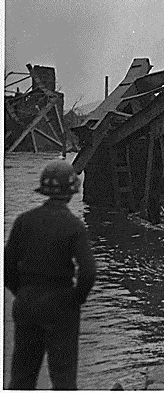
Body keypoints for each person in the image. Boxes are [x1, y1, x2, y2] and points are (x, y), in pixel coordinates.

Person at [4, 160, 97, 390]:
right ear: (72, 192)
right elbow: (88, 271)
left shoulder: (24, 221)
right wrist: (76, 299)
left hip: (27, 302)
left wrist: (22, 291)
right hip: (61, 305)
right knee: (63, 379)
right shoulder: (73, 225)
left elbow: (7, 266)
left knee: (22, 377)